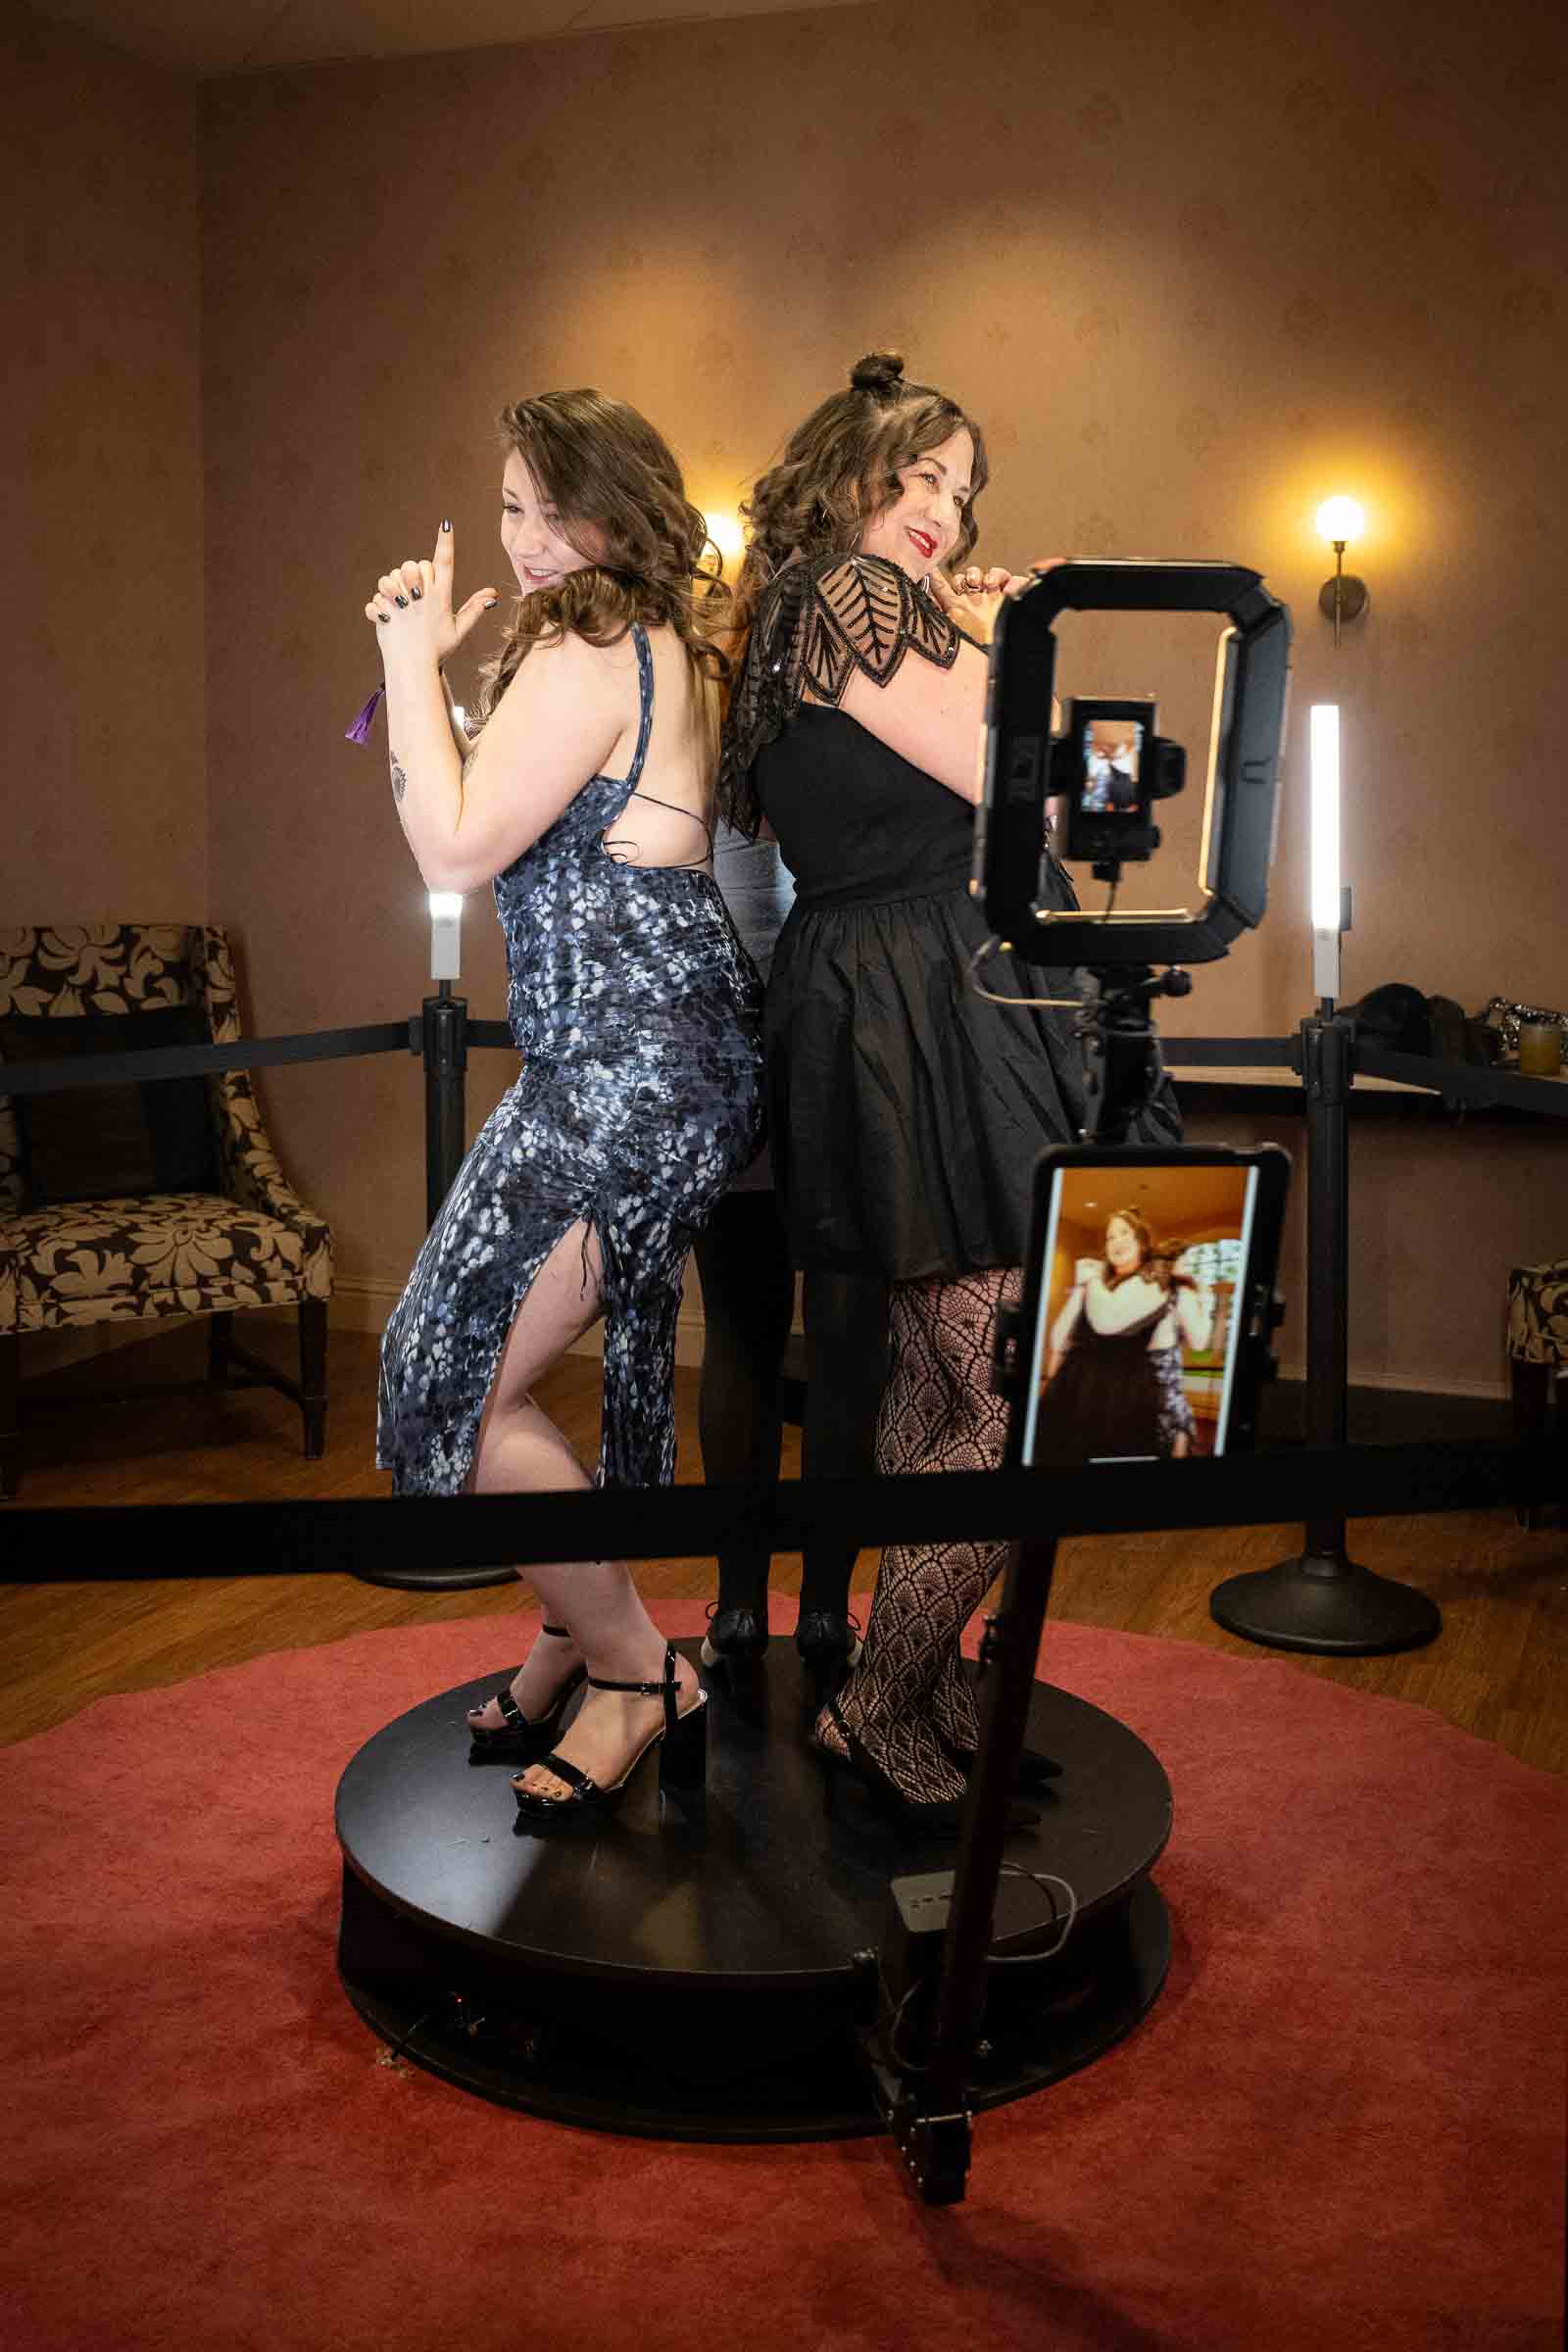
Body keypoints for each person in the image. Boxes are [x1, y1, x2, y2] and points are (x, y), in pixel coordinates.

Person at [719, 350, 1180, 1824]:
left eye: (964, 491)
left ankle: (921, 1676)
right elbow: (1041, 790)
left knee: (940, 1374)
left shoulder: (811, 605)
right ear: (846, 468)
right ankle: (878, 1698)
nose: (944, 512)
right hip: (922, 996)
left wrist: (986, 637)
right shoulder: (847, 597)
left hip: (906, 985)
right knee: (1015, 1380)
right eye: (920, 475)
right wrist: (1018, 646)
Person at [368, 389, 763, 1827]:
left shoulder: (597, 638)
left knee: (445, 1385)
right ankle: (569, 1627)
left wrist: (409, 656)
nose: (528, 541)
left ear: (621, 507)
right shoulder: (652, 637)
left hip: (628, 1078)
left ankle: (637, 1670)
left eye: (553, 508)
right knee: (465, 1373)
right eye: (512, 507)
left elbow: (458, 844)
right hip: (644, 1065)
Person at [692, 821, 890, 1705]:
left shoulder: (694, 697)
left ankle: (738, 1609)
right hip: (844, 1015)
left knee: (739, 1331)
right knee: (849, 1342)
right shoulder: (846, 688)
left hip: (720, 1025)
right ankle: (822, 1611)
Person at [1040, 1209, 1213, 1462]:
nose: (1116, 1241)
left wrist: (1205, 1302)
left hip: (1135, 1398)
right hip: (1082, 1395)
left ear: (1142, 1244)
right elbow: (1060, 1340)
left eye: (1124, 1234)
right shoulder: (1102, 1285)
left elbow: (1197, 1341)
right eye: (1110, 1237)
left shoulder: (1160, 1288)